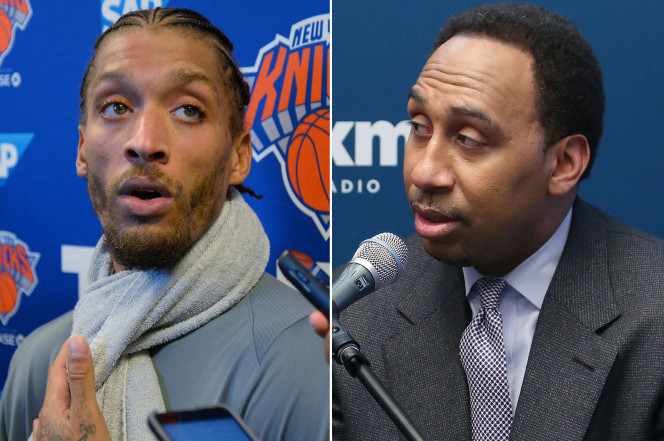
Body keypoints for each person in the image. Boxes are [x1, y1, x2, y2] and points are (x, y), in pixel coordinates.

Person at [332, 3, 664, 440]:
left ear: (564, 163)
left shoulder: (653, 311)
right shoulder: (353, 312)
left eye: (469, 139)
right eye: (418, 127)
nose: (424, 172)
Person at [0, 8, 328, 441]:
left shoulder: (308, 364)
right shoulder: (38, 363)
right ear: (82, 149)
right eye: (116, 107)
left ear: (239, 155)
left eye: (188, 111)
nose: (144, 142)